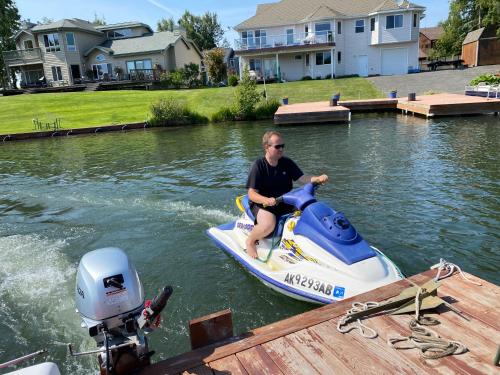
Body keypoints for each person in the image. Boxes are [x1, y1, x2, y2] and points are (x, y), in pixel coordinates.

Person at [245, 131, 328, 259]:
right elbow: (251, 194)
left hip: (285, 201)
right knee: (268, 225)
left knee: (313, 212)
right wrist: (266, 200)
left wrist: (316, 178)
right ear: (266, 147)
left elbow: (302, 177)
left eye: (283, 146)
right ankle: (250, 241)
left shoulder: (286, 162)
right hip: (264, 204)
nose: (281, 149)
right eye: (277, 146)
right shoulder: (258, 165)